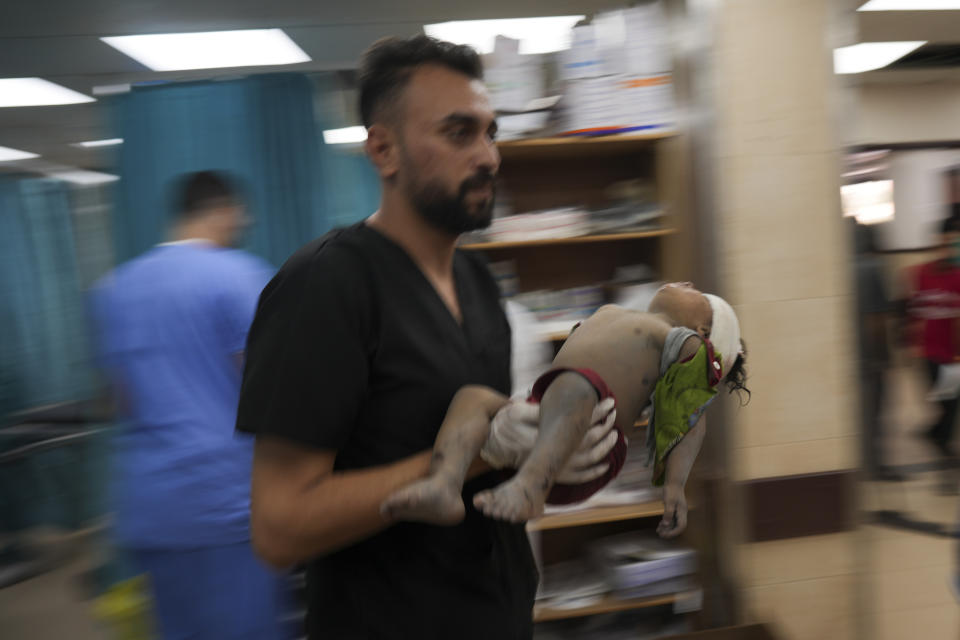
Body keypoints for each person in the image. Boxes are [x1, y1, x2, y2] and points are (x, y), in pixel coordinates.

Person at [236, 35, 618, 640]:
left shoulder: (478, 282)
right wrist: (476, 454)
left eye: (491, 133)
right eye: (459, 133)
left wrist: (548, 460)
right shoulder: (326, 286)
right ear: (383, 150)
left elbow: (493, 475)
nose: (490, 156)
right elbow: (279, 529)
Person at [382, 283, 747, 538]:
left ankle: (530, 488)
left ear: (703, 331)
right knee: (473, 397)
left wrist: (675, 486)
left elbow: (691, 421)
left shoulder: (683, 343)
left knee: (577, 385)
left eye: (697, 293)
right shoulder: (612, 312)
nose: (685, 283)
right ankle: (443, 483)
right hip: (546, 411)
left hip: (591, 439)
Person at [90, 171, 285, 639]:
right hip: (222, 501)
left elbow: (119, 398)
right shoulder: (241, 276)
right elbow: (273, 391)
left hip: (150, 506)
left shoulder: (113, 288)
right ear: (227, 211)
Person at [907, 214, 960, 457]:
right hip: (928, 351)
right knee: (943, 401)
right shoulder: (920, 273)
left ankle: (940, 442)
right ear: (936, 242)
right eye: (945, 243)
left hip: (952, 353)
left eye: (953, 244)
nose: (948, 249)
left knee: (950, 402)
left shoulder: (958, 277)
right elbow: (915, 310)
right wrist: (911, 343)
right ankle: (935, 433)